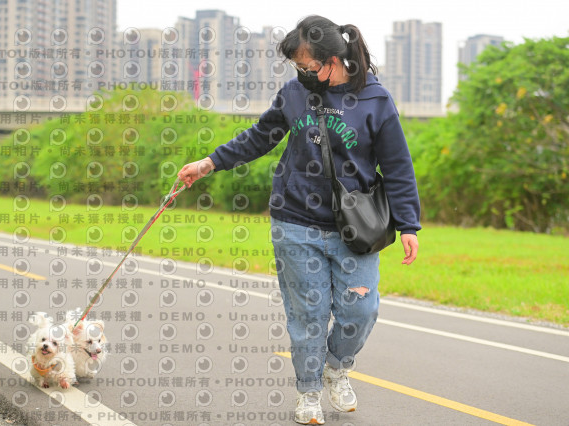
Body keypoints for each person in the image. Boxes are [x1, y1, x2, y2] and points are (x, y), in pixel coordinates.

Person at [177, 15, 420, 425]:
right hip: (294, 221)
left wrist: (408, 224)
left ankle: (336, 368)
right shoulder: (294, 94)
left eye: (308, 66)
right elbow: (260, 136)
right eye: (298, 67)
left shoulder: (375, 100)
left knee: (361, 311)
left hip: (354, 228)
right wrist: (210, 162)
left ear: (333, 60)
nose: (302, 74)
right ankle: (308, 392)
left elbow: (397, 165)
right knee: (308, 316)